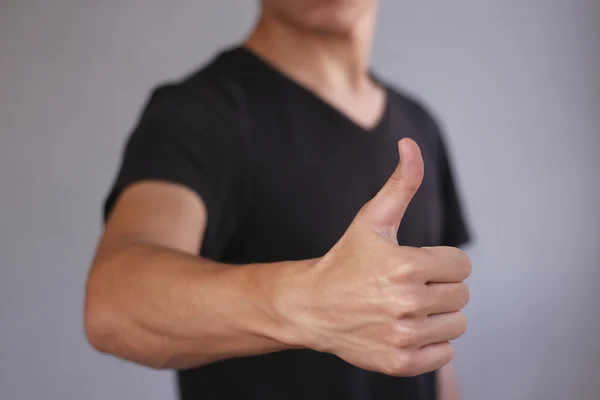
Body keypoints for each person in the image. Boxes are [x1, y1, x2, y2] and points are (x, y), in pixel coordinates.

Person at [84, 1, 472, 399]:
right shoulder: (198, 115)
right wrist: (314, 304)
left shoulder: (420, 125)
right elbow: (113, 304)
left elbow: (430, 335)